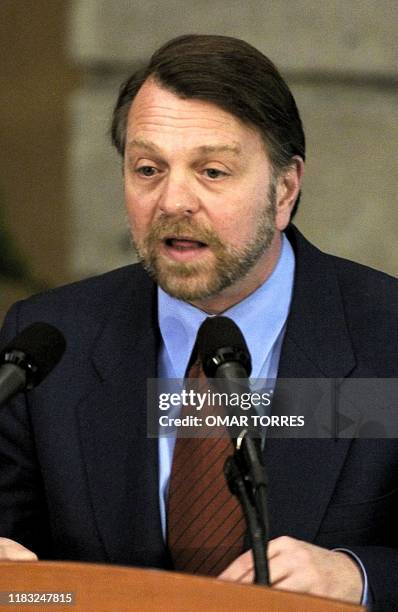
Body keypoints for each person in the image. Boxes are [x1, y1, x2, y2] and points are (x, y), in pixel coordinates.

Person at [0, 34, 397, 610]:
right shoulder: (47, 345)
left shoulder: (386, 336)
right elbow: (28, 567)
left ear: (284, 189)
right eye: (147, 169)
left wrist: (355, 578)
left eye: (211, 171)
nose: (172, 200)